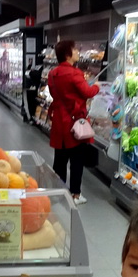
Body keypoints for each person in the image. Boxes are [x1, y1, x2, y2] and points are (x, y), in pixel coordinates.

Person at [47, 39, 99, 205]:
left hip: (59, 121)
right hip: (74, 122)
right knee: (77, 160)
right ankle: (76, 195)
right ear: (68, 54)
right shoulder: (75, 73)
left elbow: (55, 94)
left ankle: (59, 190)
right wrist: (97, 86)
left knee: (60, 158)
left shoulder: (53, 74)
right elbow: (87, 92)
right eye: (75, 50)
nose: (77, 52)